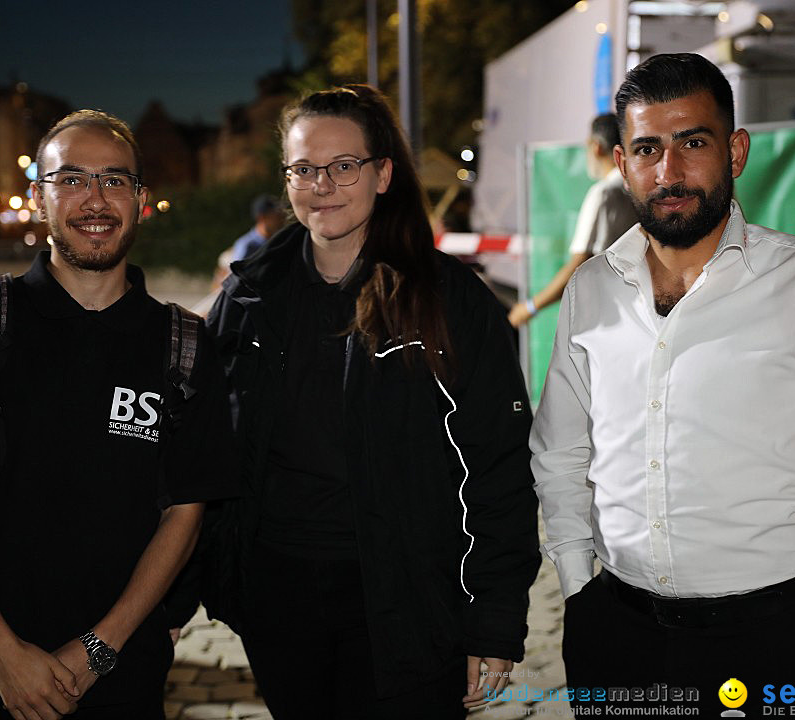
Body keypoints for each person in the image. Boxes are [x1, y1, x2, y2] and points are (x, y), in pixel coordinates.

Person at [530, 53, 795, 715]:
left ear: (735, 151)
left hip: (772, 646)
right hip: (616, 639)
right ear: (622, 164)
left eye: (691, 143)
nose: (669, 172)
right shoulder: (591, 293)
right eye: (648, 149)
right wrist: (580, 590)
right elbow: (559, 454)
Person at [176, 84, 540, 719]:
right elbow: (205, 451)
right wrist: (184, 593)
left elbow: (502, 466)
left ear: (383, 174)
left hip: (405, 594)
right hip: (278, 598)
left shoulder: (445, 299)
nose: (323, 184)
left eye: (344, 166)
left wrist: (494, 618)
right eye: (303, 169)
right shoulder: (249, 297)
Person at [0, 110, 233, 720]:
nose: (94, 199)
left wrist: (98, 650)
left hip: (118, 678)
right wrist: (2, 652)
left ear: (141, 199)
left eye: (114, 180)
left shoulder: (186, 344)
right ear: (37, 200)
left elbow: (186, 513)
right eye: (70, 180)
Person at [507, 114, 636, 327]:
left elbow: (578, 265)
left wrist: (529, 307)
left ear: (596, 147)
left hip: (606, 317)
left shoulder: (603, 193)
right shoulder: (635, 190)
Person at [211, 194, 285, 288]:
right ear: (262, 218)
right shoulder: (247, 246)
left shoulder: (279, 241)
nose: (281, 219)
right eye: (276, 216)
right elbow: (235, 283)